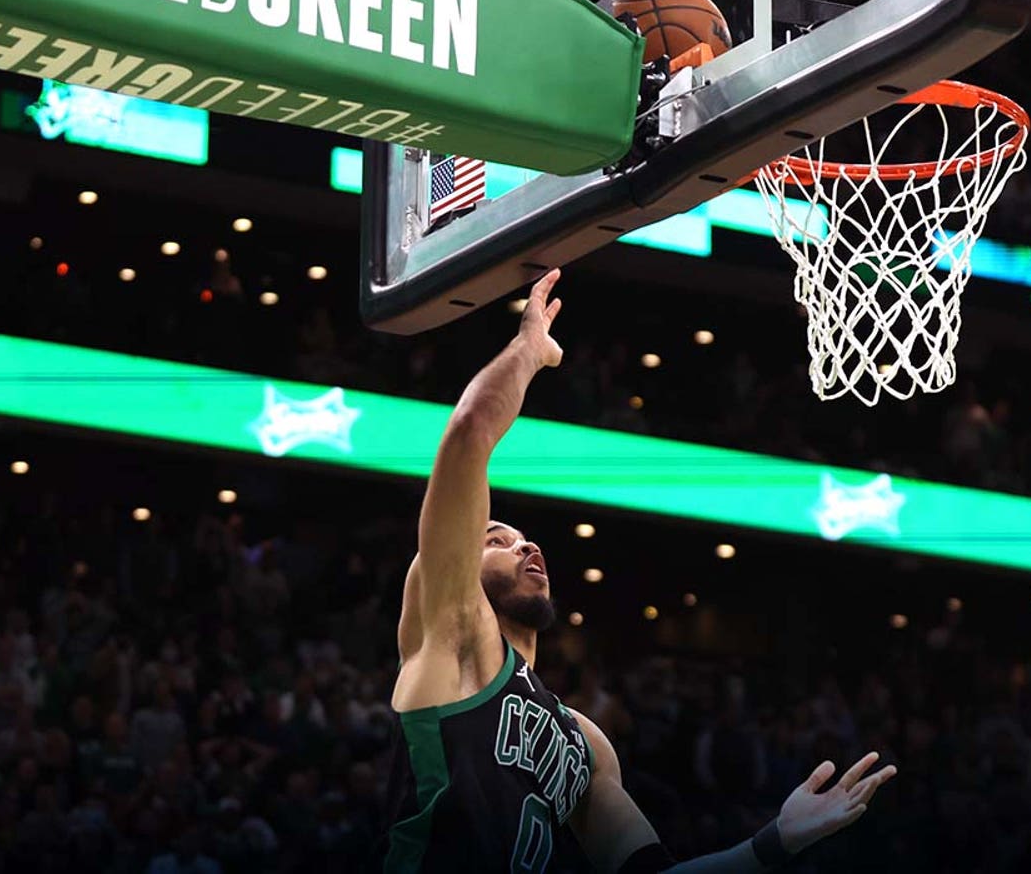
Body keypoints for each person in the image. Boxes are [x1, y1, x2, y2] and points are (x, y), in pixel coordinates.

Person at [380, 270, 896, 873]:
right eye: (498, 539)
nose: (526, 547)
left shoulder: (583, 742)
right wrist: (528, 350)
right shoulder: (452, 630)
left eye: (527, 540)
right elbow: (469, 432)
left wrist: (775, 840)